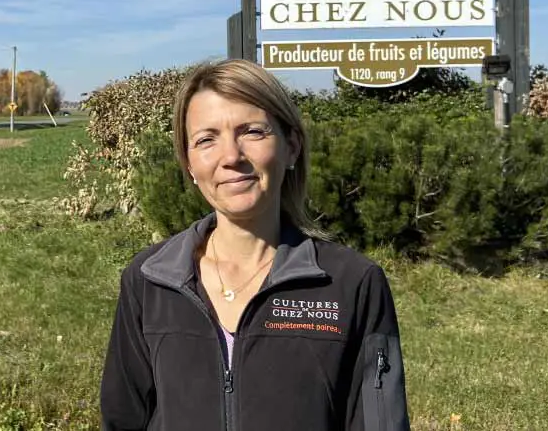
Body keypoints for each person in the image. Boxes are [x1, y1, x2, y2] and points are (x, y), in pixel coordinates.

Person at [99, 59, 410, 430]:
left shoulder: (352, 284)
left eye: (252, 131)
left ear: (292, 147)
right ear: (190, 165)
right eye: (206, 139)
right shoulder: (149, 281)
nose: (231, 157)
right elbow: (122, 420)